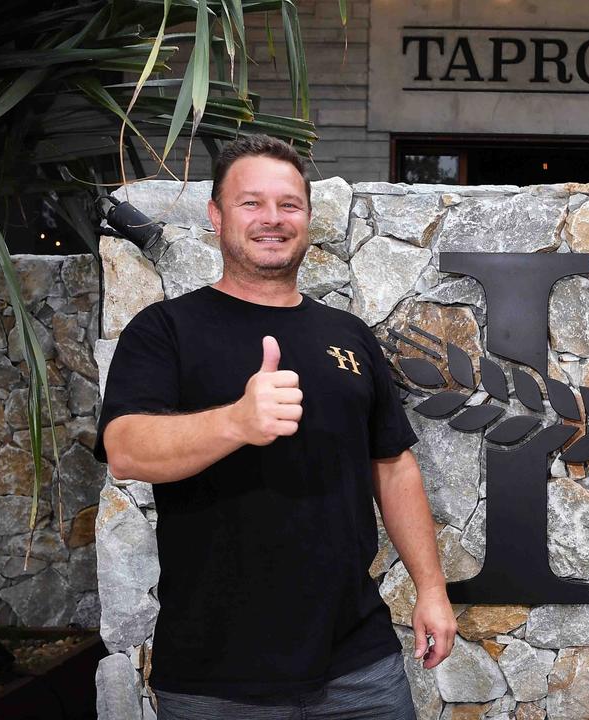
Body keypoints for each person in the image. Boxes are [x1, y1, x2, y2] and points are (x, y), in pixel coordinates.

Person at [96, 134, 455, 719]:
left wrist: (431, 590)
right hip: (217, 675)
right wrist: (237, 422)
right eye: (251, 203)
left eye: (289, 204)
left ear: (308, 218)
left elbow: (392, 464)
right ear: (215, 215)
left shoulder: (348, 335)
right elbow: (126, 450)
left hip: (358, 660)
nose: (273, 219)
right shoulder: (165, 331)